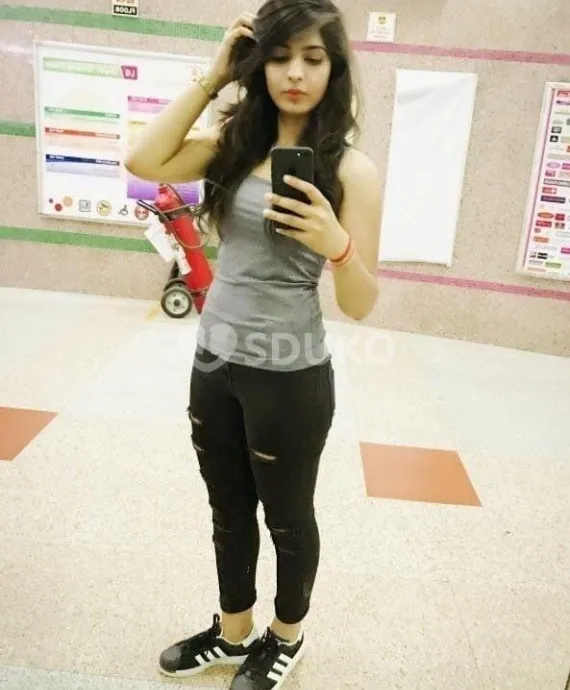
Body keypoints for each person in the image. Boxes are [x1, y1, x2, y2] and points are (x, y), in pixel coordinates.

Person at [125, 1, 382, 687]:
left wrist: (338, 246)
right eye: (279, 56)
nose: (295, 72)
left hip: (290, 377)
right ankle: (233, 633)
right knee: (228, 509)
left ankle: (286, 637)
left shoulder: (351, 170)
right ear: (258, 62)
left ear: (334, 68)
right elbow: (143, 158)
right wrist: (214, 77)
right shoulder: (232, 142)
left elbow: (361, 303)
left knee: (288, 519)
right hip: (214, 363)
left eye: (313, 58)